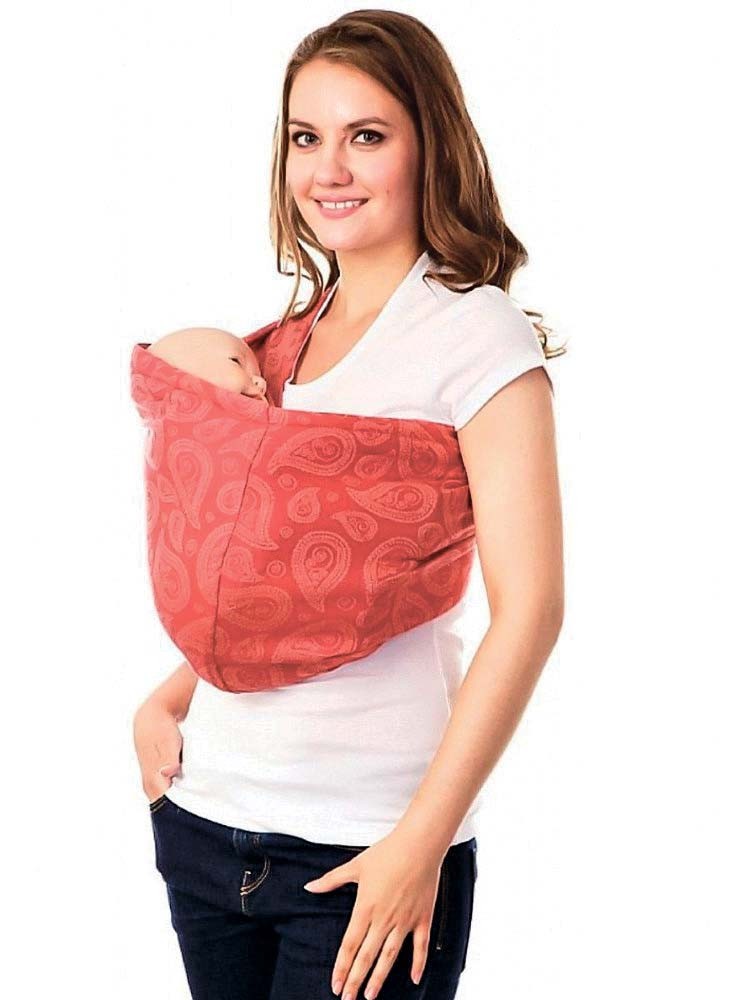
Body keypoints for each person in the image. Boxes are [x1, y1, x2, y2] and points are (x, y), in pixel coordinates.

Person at [132, 10, 565, 1000]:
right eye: (306, 136)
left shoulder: (475, 333)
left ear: (429, 144)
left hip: (364, 852)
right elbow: (278, 580)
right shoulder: (281, 343)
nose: (329, 168)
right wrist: (172, 694)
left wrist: (421, 844)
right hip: (207, 821)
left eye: (366, 135)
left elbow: (532, 608)